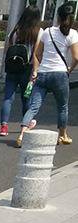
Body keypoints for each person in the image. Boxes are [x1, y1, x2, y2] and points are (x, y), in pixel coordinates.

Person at [17, 2, 78, 147]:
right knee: (62, 106)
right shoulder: (73, 34)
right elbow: (76, 57)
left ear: (58, 17)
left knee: (33, 106)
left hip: (43, 73)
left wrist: (36, 70)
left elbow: (37, 54)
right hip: (60, 74)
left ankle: (22, 134)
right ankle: (62, 135)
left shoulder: (47, 32)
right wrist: (69, 69)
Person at [0, 6, 41, 136]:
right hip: (27, 69)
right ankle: (26, 123)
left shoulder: (15, 30)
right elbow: (36, 54)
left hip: (12, 68)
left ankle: (4, 127)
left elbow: (7, 49)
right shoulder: (38, 32)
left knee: (8, 98)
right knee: (26, 98)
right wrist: (35, 71)